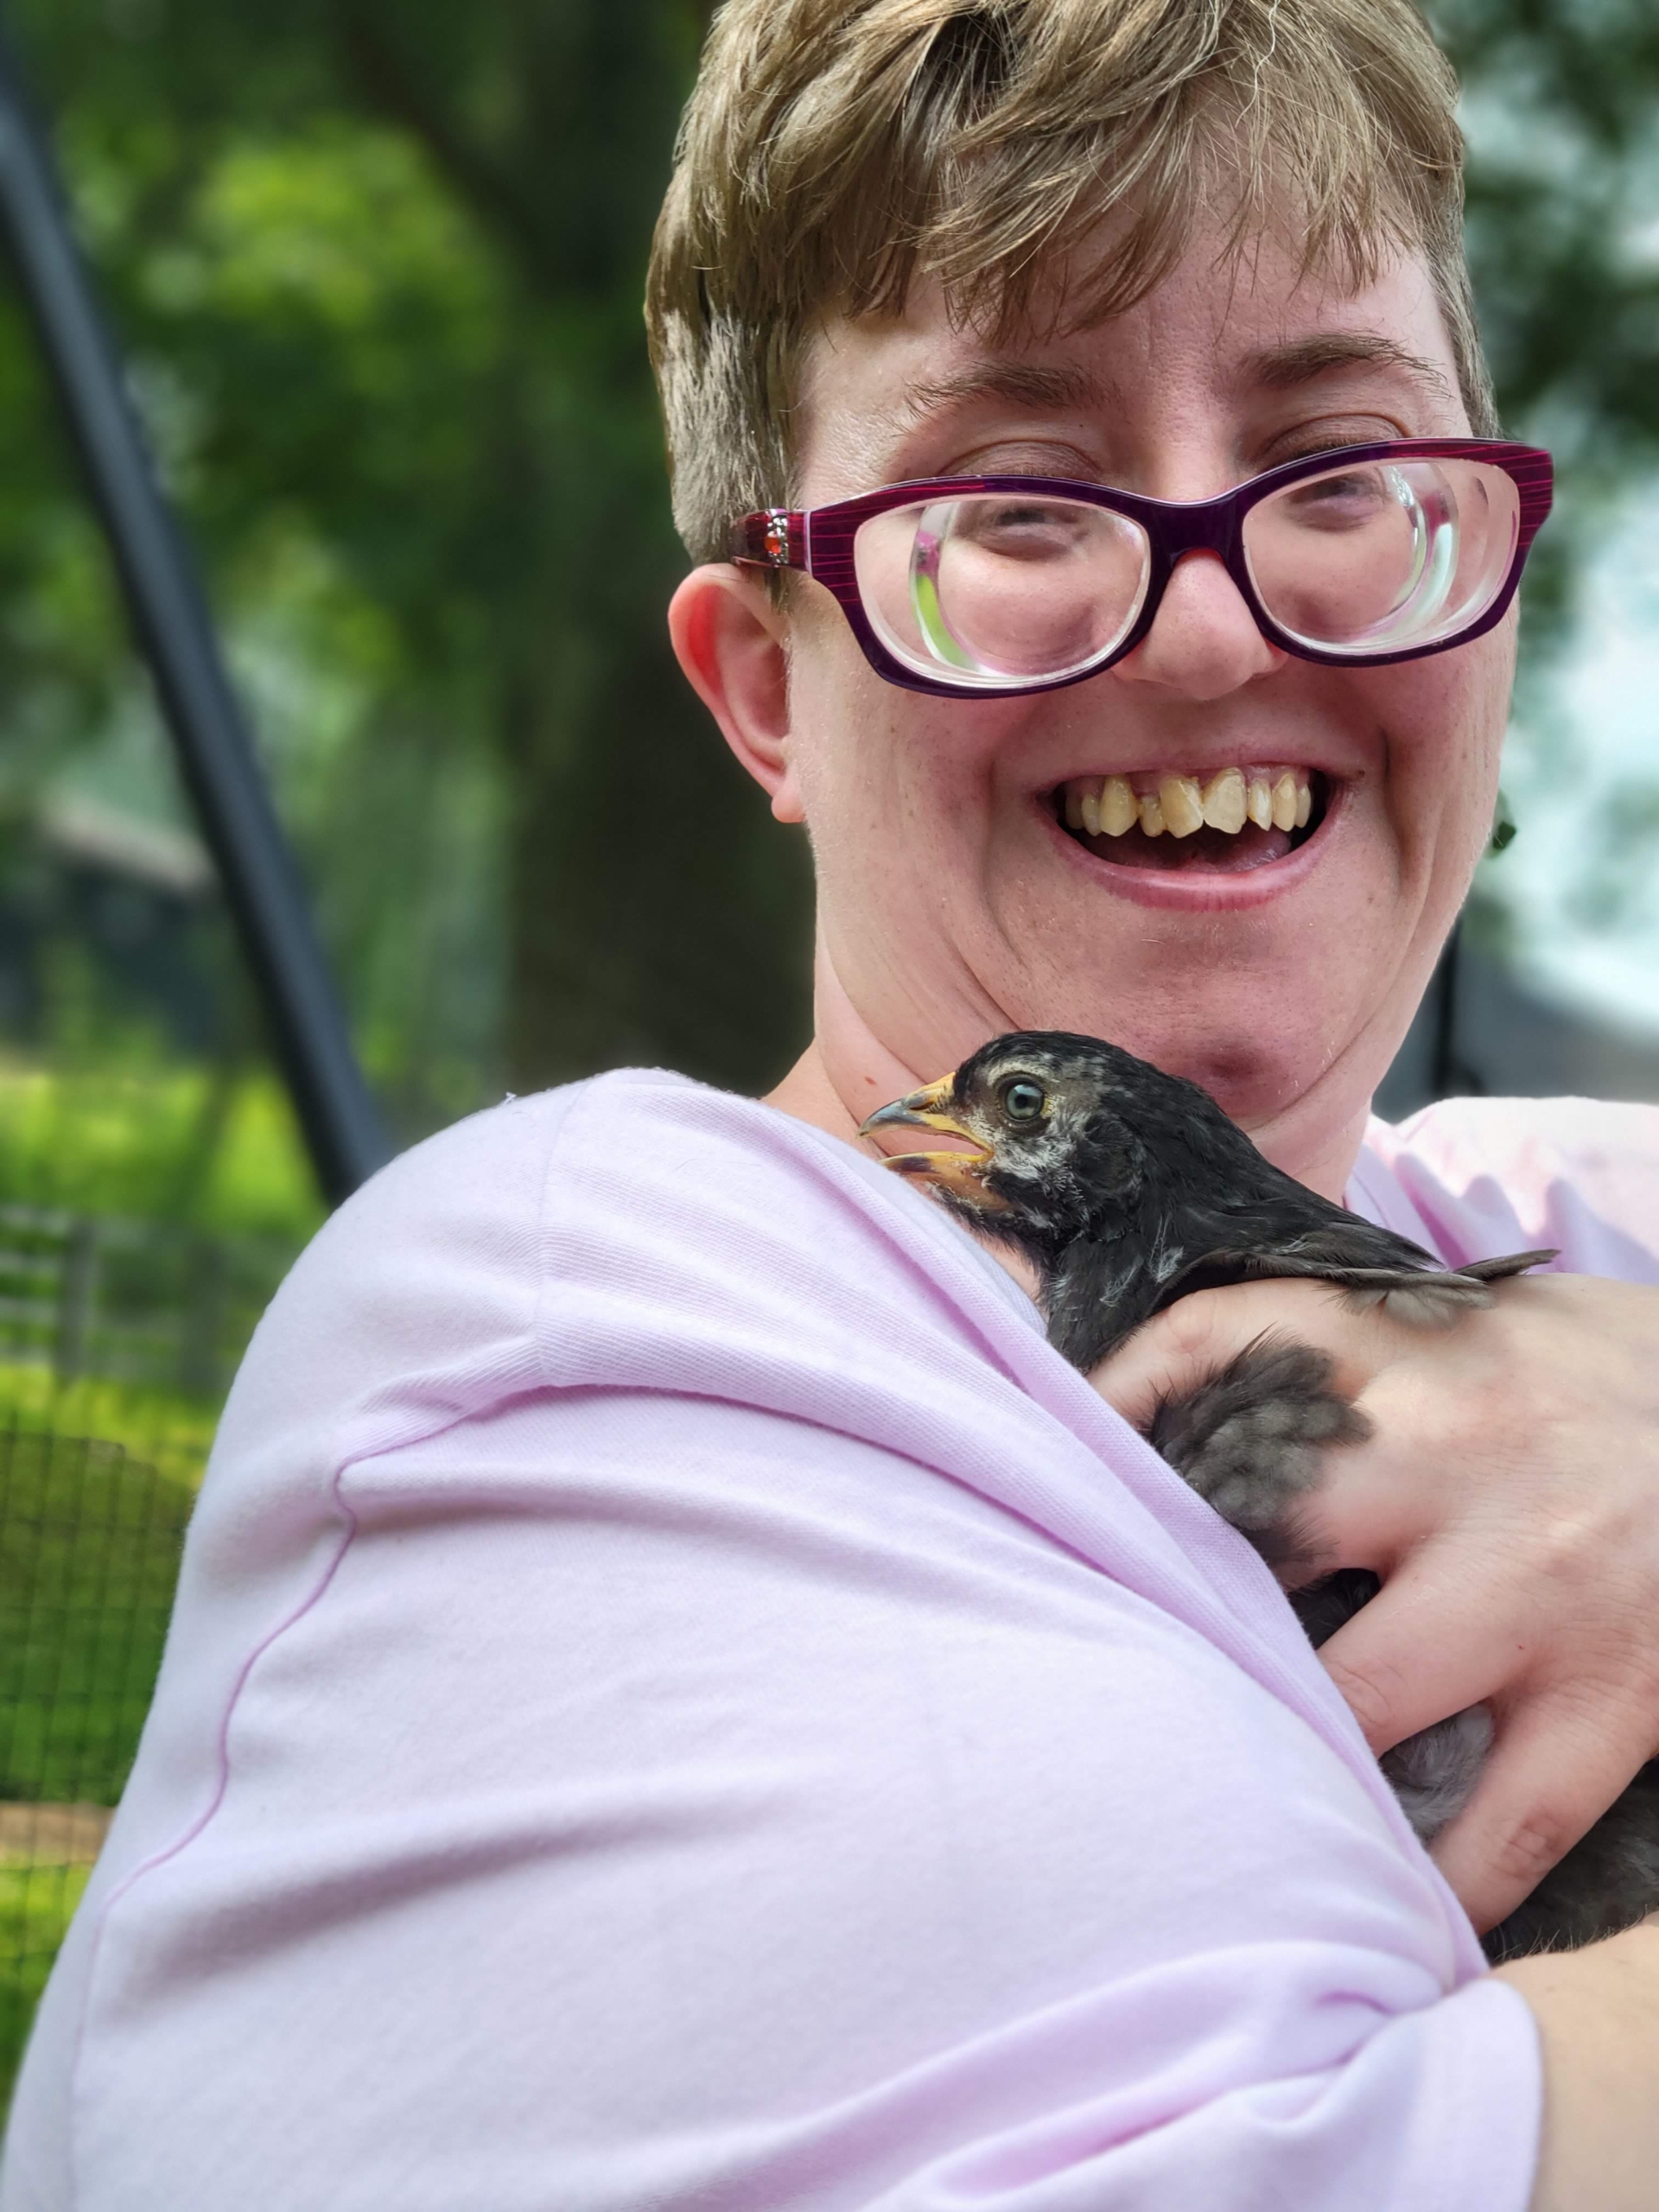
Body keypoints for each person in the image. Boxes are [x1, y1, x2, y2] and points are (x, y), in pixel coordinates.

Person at [8, 0, 1659, 2204]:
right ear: (768, 687)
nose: (1201, 631)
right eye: (1019, 499)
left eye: (1340, 471)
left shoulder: (1582, 1213)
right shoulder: (600, 1329)